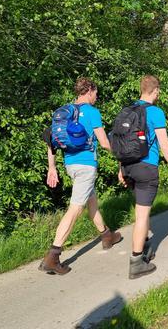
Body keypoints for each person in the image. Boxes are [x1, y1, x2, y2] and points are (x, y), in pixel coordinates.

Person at [40, 77, 122, 275]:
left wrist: (52, 167)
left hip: (70, 165)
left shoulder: (65, 110)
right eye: (96, 93)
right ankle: (53, 255)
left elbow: (50, 140)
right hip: (86, 166)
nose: (96, 97)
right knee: (75, 209)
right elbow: (104, 142)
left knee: (91, 201)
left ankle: (106, 236)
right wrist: (123, 153)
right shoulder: (92, 112)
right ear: (89, 90)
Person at [118, 75, 168, 279]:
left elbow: (122, 142)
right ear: (156, 91)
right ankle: (136, 262)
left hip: (129, 167)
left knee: (140, 212)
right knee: (143, 215)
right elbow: (164, 144)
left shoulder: (128, 110)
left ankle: (144, 249)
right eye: (158, 91)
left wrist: (121, 169)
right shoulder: (155, 112)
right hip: (146, 167)